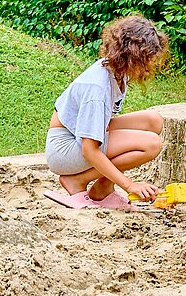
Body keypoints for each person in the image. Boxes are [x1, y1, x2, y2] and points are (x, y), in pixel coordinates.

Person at [44, 15, 170, 209]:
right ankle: (77, 181)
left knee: (153, 121)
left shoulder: (118, 71)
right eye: (147, 59)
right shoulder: (97, 88)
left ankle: (102, 189)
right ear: (133, 55)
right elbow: (89, 148)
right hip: (64, 149)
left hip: (77, 135)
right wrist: (129, 185)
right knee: (151, 144)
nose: (151, 65)